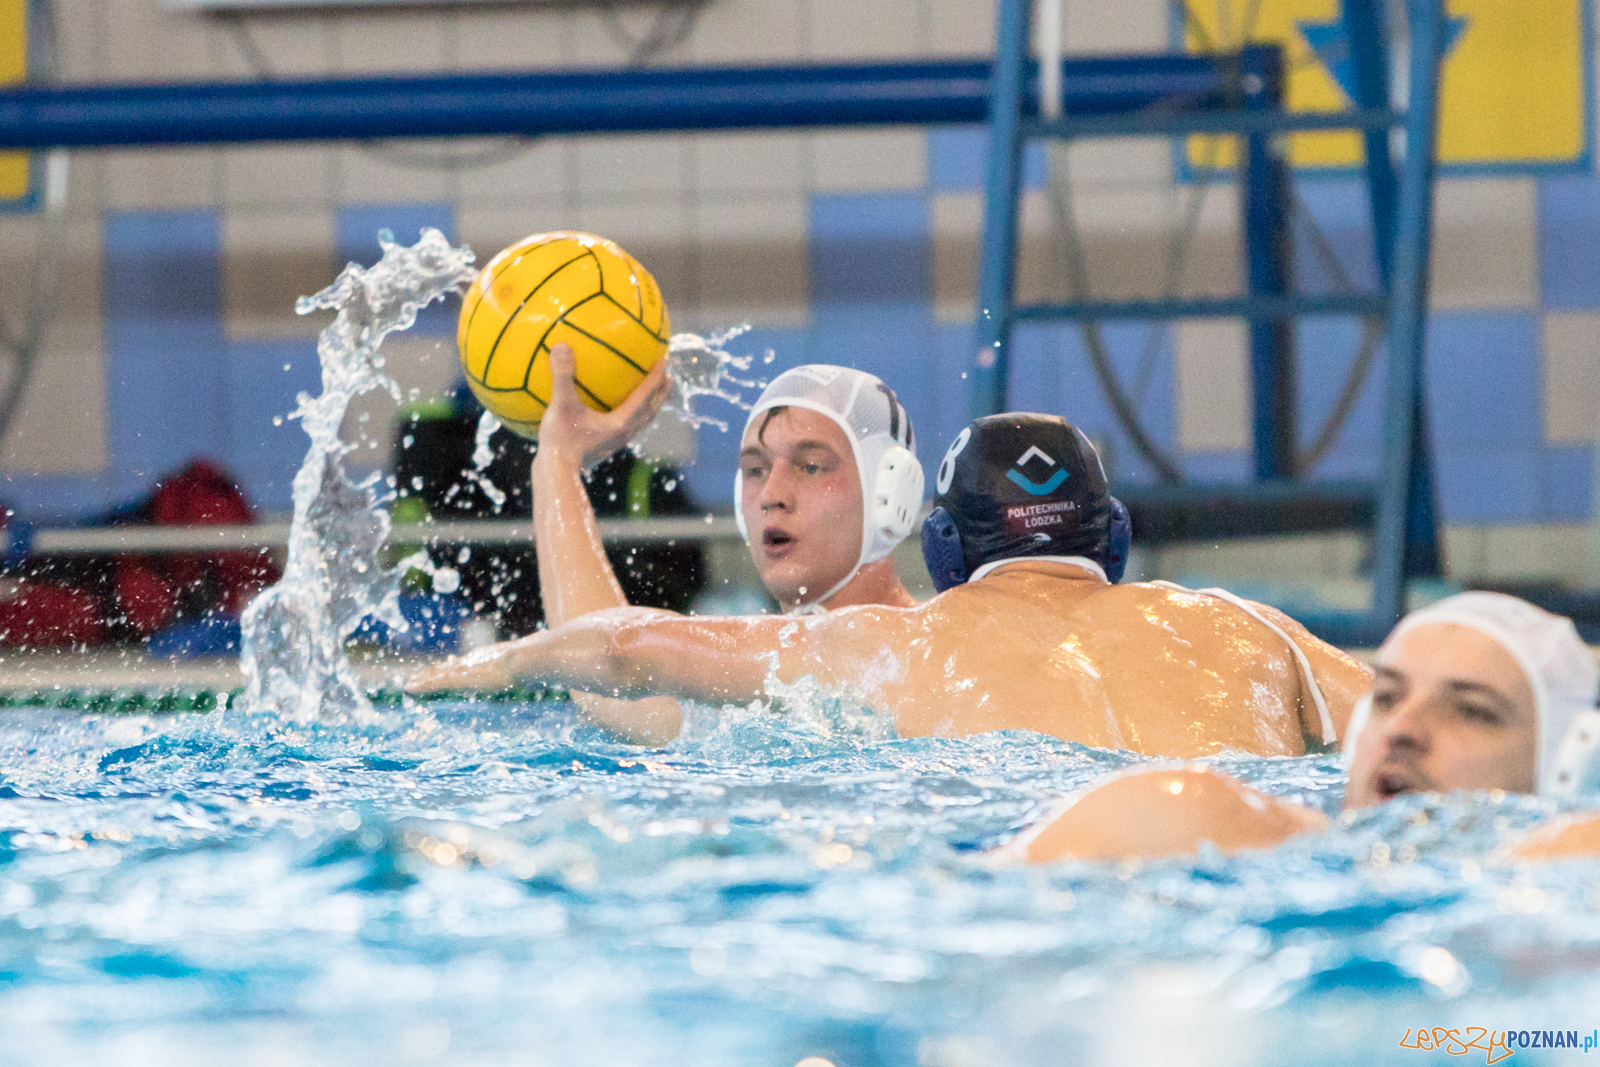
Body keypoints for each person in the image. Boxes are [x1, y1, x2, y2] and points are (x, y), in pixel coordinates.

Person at [411, 413, 1373, 758]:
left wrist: (477, 668)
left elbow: (626, 645)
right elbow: (1410, 705)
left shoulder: (889, 645)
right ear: (1114, 538)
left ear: (943, 547)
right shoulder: (1249, 626)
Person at [521, 346, 927, 743]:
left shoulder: (935, 660)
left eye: (810, 466)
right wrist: (557, 459)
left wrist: (483, 667)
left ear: (890, 491)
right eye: (755, 470)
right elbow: (612, 683)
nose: (771, 494)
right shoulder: (745, 693)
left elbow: (620, 654)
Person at [1013, 591, 1600, 864]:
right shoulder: (1199, 821)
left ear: (1566, 764)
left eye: (1469, 711)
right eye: (1386, 698)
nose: (1402, 729)